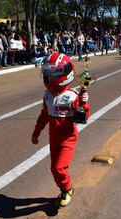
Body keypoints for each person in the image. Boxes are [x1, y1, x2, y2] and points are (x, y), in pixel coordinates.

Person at [31, 52, 90, 207]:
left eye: (54, 74)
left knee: (59, 168)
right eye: (47, 74)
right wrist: (36, 133)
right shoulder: (47, 96)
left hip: (68, 138)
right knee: (54, 169)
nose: (50, 78)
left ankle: (67, 189)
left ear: (65, 74)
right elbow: (43, 116)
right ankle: (64, 188)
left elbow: (82, 117)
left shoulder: (72, 95)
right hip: (53, 138)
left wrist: (84, 103)